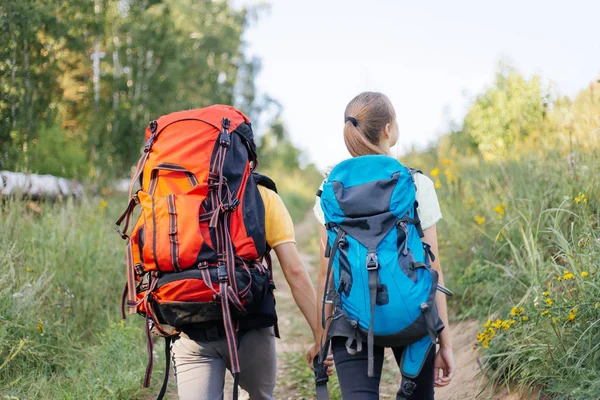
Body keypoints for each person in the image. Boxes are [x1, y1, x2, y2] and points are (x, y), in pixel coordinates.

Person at [311, 92, 455, 399]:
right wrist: (446, 342)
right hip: (414, 312)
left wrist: (323, 337)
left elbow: (328, 270)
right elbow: (433, 267)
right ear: (388, 129)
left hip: (350, 317)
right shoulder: (416, 185)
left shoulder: (329, 190)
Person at [170, 179, 334, 399]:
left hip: (190, 327)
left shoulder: (172, 191)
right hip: (249, 324)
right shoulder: (260, 194)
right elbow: (295, 272)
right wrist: (320, 340)